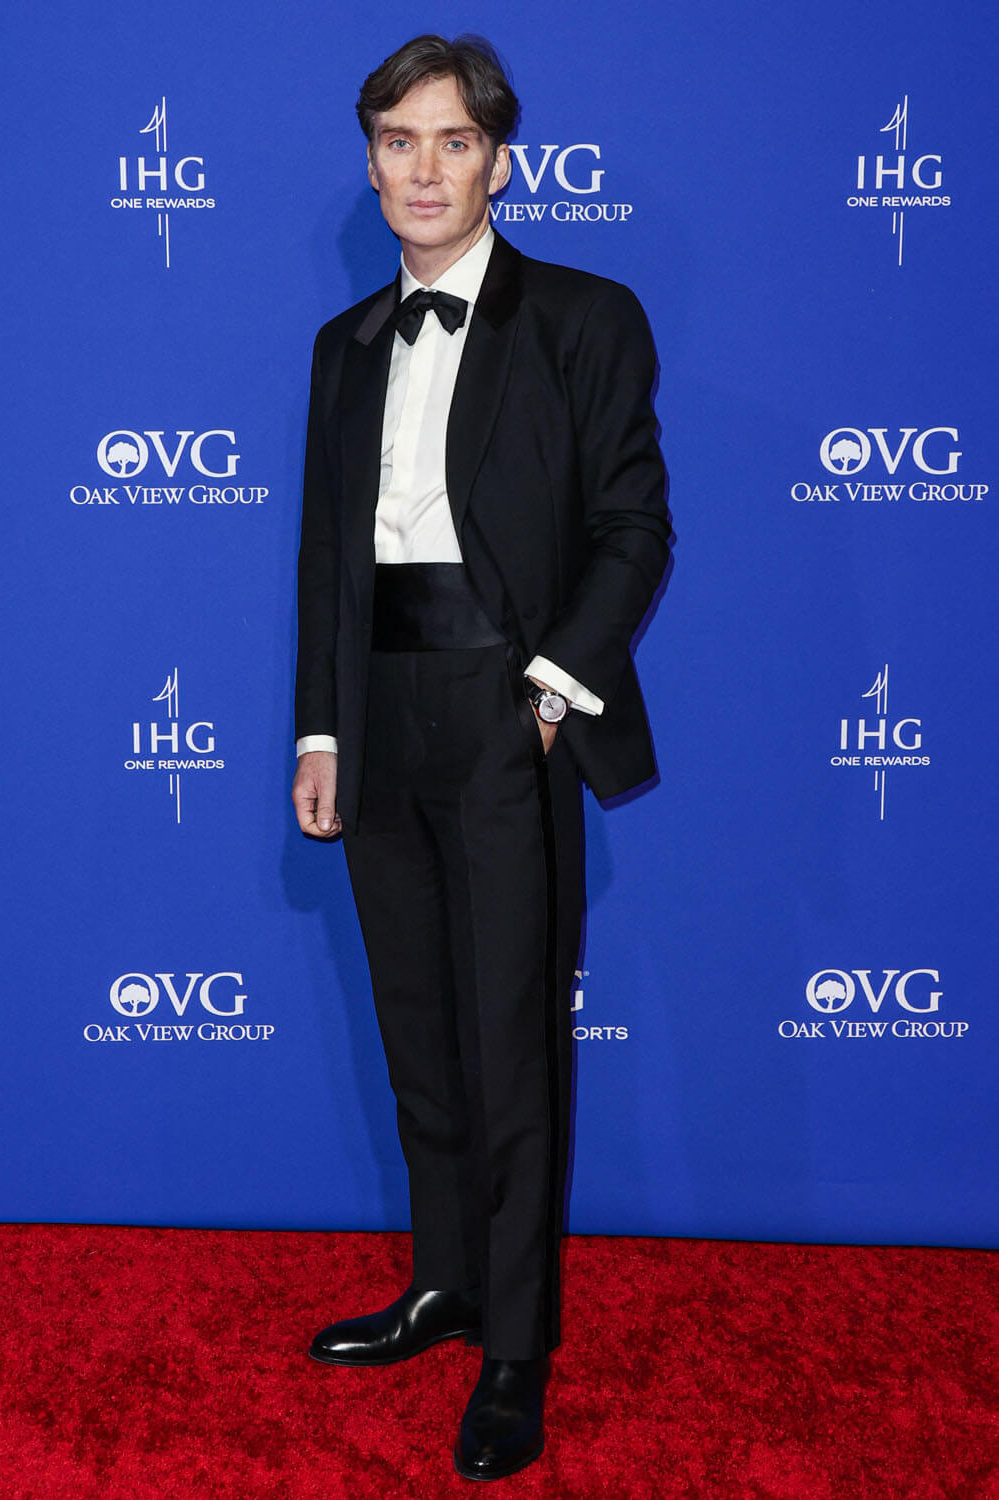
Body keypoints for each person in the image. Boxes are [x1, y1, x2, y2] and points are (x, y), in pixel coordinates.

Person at [292, 33, 669, 1481]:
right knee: (420, 1028)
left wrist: (550, 692)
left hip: (511, 709)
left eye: (453, 141)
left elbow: (633, 528)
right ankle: (444, 1284)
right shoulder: (341, 346)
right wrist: (322, 726)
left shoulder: (583, 317)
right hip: (379, 711)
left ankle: (517, 1344)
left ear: (499, 161)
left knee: (510, 1040)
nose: (423, 169)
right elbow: (327, 562)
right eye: (398, 141)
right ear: (370, 161)